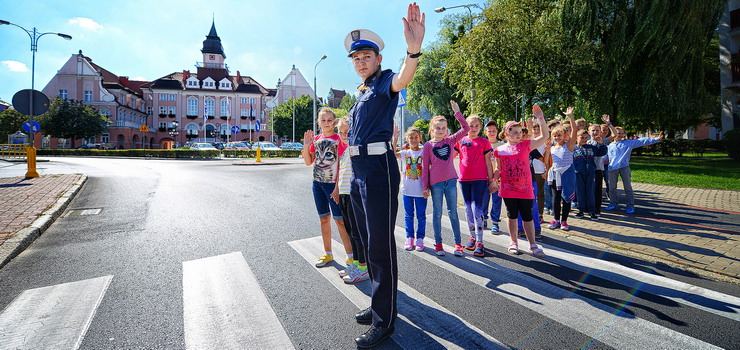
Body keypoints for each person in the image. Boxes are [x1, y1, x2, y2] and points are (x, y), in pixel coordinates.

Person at [343, 4, 425, 347]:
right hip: (359, 170)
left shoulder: (385, 80)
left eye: (367, 56)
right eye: (356, 57)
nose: (362, 61)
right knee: (366, 239)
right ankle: (380, 301)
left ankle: (384, 320)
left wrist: (414, 49)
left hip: (378, 170)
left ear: (378, 59)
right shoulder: (361, 92)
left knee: (379, 245)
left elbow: (405, 78)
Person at [492, 105, 549, 257]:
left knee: (527, 216)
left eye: (520, 132)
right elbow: (499, 169)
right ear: (506, 134)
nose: (518, 135)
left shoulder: (526, 145)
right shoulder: (499, 150)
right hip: (508, 189)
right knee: (511, 216)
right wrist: (493, 180)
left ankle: (533, 244)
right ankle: (513, 242)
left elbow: (544, 136)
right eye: (515, 133)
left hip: (525, 189)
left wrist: (540, 118)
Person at [302, 108, 354, 268]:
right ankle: (328, 253)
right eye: (323, 120)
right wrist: (306, 145)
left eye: (330, 120)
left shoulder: (339, 140)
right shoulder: (316, 139)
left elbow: (343, 165)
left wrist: (337, 188)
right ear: (319, 122)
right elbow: (308, 161)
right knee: (324, 219)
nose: (326, 123)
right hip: (317, 184)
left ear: (335, 121)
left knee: (340, 221)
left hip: (333, 186)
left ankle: (351, 256)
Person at [421, 101, 470, 257]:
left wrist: (457, 113)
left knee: (453, 212)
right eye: (438, 128)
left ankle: (457, 244)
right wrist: (425, 186)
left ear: (446, 129)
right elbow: (425, 168)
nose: (441, 130)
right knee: (436, 214)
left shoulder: (449, 140)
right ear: (432, 129)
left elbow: (466, 129)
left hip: (450, 181)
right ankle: (439, 244)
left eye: (443, 128)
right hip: (436, 184)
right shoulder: (428, 146)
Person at [332, 116, 369, 284]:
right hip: (345, 195)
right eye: (341, 132)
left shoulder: (356, 149)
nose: (344, 135)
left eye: (347, 132)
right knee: (349, 231)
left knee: (357, 233)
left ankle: (363, 267)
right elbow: (342, 173)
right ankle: (354, 263)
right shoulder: (345, 151)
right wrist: (337, 191)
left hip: (354, 195)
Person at [456, 114, 495, 257]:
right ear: (465, 126)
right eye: (470, 125)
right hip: (464, 180)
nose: (473, 128)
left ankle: (480, 240)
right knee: (467, 208)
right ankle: (472, 236)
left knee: (477, 208)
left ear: (480, 128)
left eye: (476, 126)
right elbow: (449, 157)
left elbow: (488, 163)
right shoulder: (460, 141)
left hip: (480, 179)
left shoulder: (484, 142)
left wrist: (492, 181)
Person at [604, 124, 663, 214]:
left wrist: (657, 139)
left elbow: (642, 141)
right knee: (612, 188)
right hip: (612, 168)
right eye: (618, 133)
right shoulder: (609, 145)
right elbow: (604, 157)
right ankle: (613, 204)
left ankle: (630, 206)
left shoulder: (628, 143)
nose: (620, 135)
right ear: (613, 133)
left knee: (628, 188)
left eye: (622, 133)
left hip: (624, 167)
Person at [395, 126, 427, 252]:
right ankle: (409, 238)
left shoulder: (424, 152)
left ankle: (420, 238)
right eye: (411, 138)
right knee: (408, 216)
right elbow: (391, 154)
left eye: (416, 137)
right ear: (407, 139)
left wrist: (427, 187)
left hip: (421, 191)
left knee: (421, 216)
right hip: (407, 190)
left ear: (420, 138)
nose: (413, 140)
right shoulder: (404, 153)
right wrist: (395, 138)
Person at [547, 107, 578, 231]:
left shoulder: (569, 146)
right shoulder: (552, 147)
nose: (557, 137)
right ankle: (556, 219)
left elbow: (575, 130)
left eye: (559, 135)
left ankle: (564, 221)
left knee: (566, 198)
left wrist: (570, 117)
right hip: (555, 175)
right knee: (556, 198)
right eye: (554, 135)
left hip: (567, 174)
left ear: (565, 136)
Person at [573, 129, 608, 220]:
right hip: (578, 173)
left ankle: (592, 211)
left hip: (590, 173)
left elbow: (602, 152)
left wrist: (600, 143)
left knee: (590, 192)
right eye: (582, 138)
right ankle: (581, 210)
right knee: (580, 193)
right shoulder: (573, 149)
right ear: (576, 138)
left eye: (586, 138)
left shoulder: (591, 147)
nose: (584, 140)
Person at [482, 120, 505, 232]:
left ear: (497, 132)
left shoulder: (502, 145)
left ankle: (495, 222)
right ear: (485, 132)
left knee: (496, 201)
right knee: (484, 200)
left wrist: (495, 178)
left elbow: (502, 164)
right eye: (489, 131)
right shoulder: (482, 144)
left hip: (497, 178)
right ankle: (483, 219)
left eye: (494, 131)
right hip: (484, 177)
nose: (492, 133)